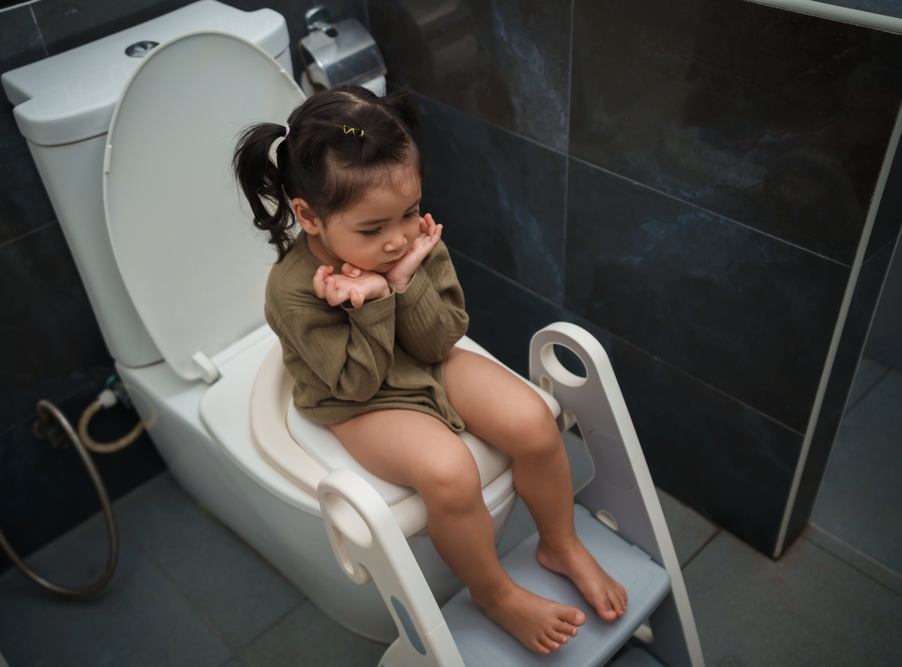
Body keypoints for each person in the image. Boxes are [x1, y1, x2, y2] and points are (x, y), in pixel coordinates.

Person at [233, 85, 627, 654]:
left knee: (535, 420)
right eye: (372, 230)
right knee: (449, 473)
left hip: (423, 361)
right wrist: (369, 306)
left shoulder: (405, 247)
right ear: (308, 216)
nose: (397, 238)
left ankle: (559, 544)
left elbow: (441, 337)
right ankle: (494, 593)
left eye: (411, 212)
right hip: (357, 400)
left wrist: (401, 281)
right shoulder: (293, 293)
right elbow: (359, 383)